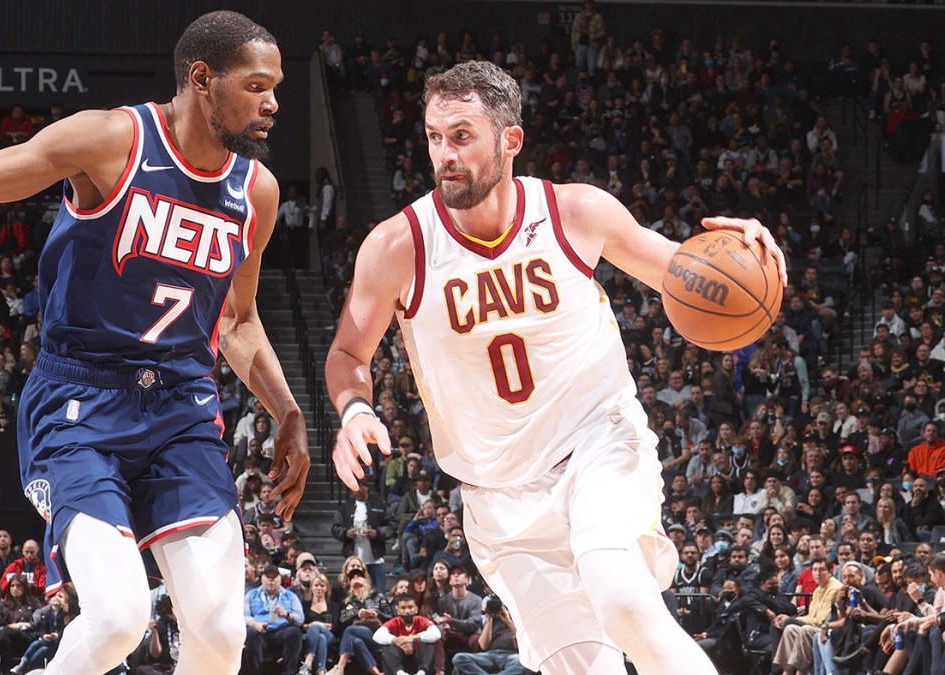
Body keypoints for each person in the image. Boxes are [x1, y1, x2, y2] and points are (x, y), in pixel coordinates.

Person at [0, 11, 309, 675]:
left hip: (182, 410)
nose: (273, 102)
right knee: (116, 618)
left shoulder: (256, 191)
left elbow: (238, 320)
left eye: (275, 87)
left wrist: (287, 409)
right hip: (81, 402)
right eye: (256, 85)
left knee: (223, 635)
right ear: (202, 78)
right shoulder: (111, 140)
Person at [326, 59, 784, 675]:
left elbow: (686, 273)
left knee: (624, 601)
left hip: (595, 444)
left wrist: (743, 253)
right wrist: (355, 410)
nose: (445, 155)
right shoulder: (397, 246)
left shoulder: (575, 212)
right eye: (435, 137)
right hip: (498, 500)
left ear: (510, 140)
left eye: (462, 136)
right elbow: (348, 354)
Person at [243, 565, 304, 674]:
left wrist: (287, 614)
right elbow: (244, 616)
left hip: (280, 632)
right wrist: (255, 624)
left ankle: (288, 673)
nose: (271, 581)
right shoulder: (252, 594)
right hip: (259, 632)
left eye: (274, 577)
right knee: (250, 632)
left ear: (280, 579)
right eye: (268, 577)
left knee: (295, 632)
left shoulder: (290, 596)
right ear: (262, 579)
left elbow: (300, 619)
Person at [451, 596, 529, 675]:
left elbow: (523, 641)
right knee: (459, 658)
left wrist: (508, 621)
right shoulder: (489, 622)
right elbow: (483, 646)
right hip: (490, 655)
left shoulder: (517, 622)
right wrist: (489, 618)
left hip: (510, 655)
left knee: (525, 663)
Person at [373, 594, 441, 675]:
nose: (407, 611)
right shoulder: (394, 622)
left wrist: (414, 638)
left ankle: (421, 672)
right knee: (387, 645)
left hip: (418, 658)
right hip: (399, 659)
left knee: (429, 642)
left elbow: (437, 634)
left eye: (410, 607)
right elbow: (377, 635)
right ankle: (400, 673)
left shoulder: (422, 620)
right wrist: (396, 640)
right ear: (398, 611)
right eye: (403, 608)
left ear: (416, 609)